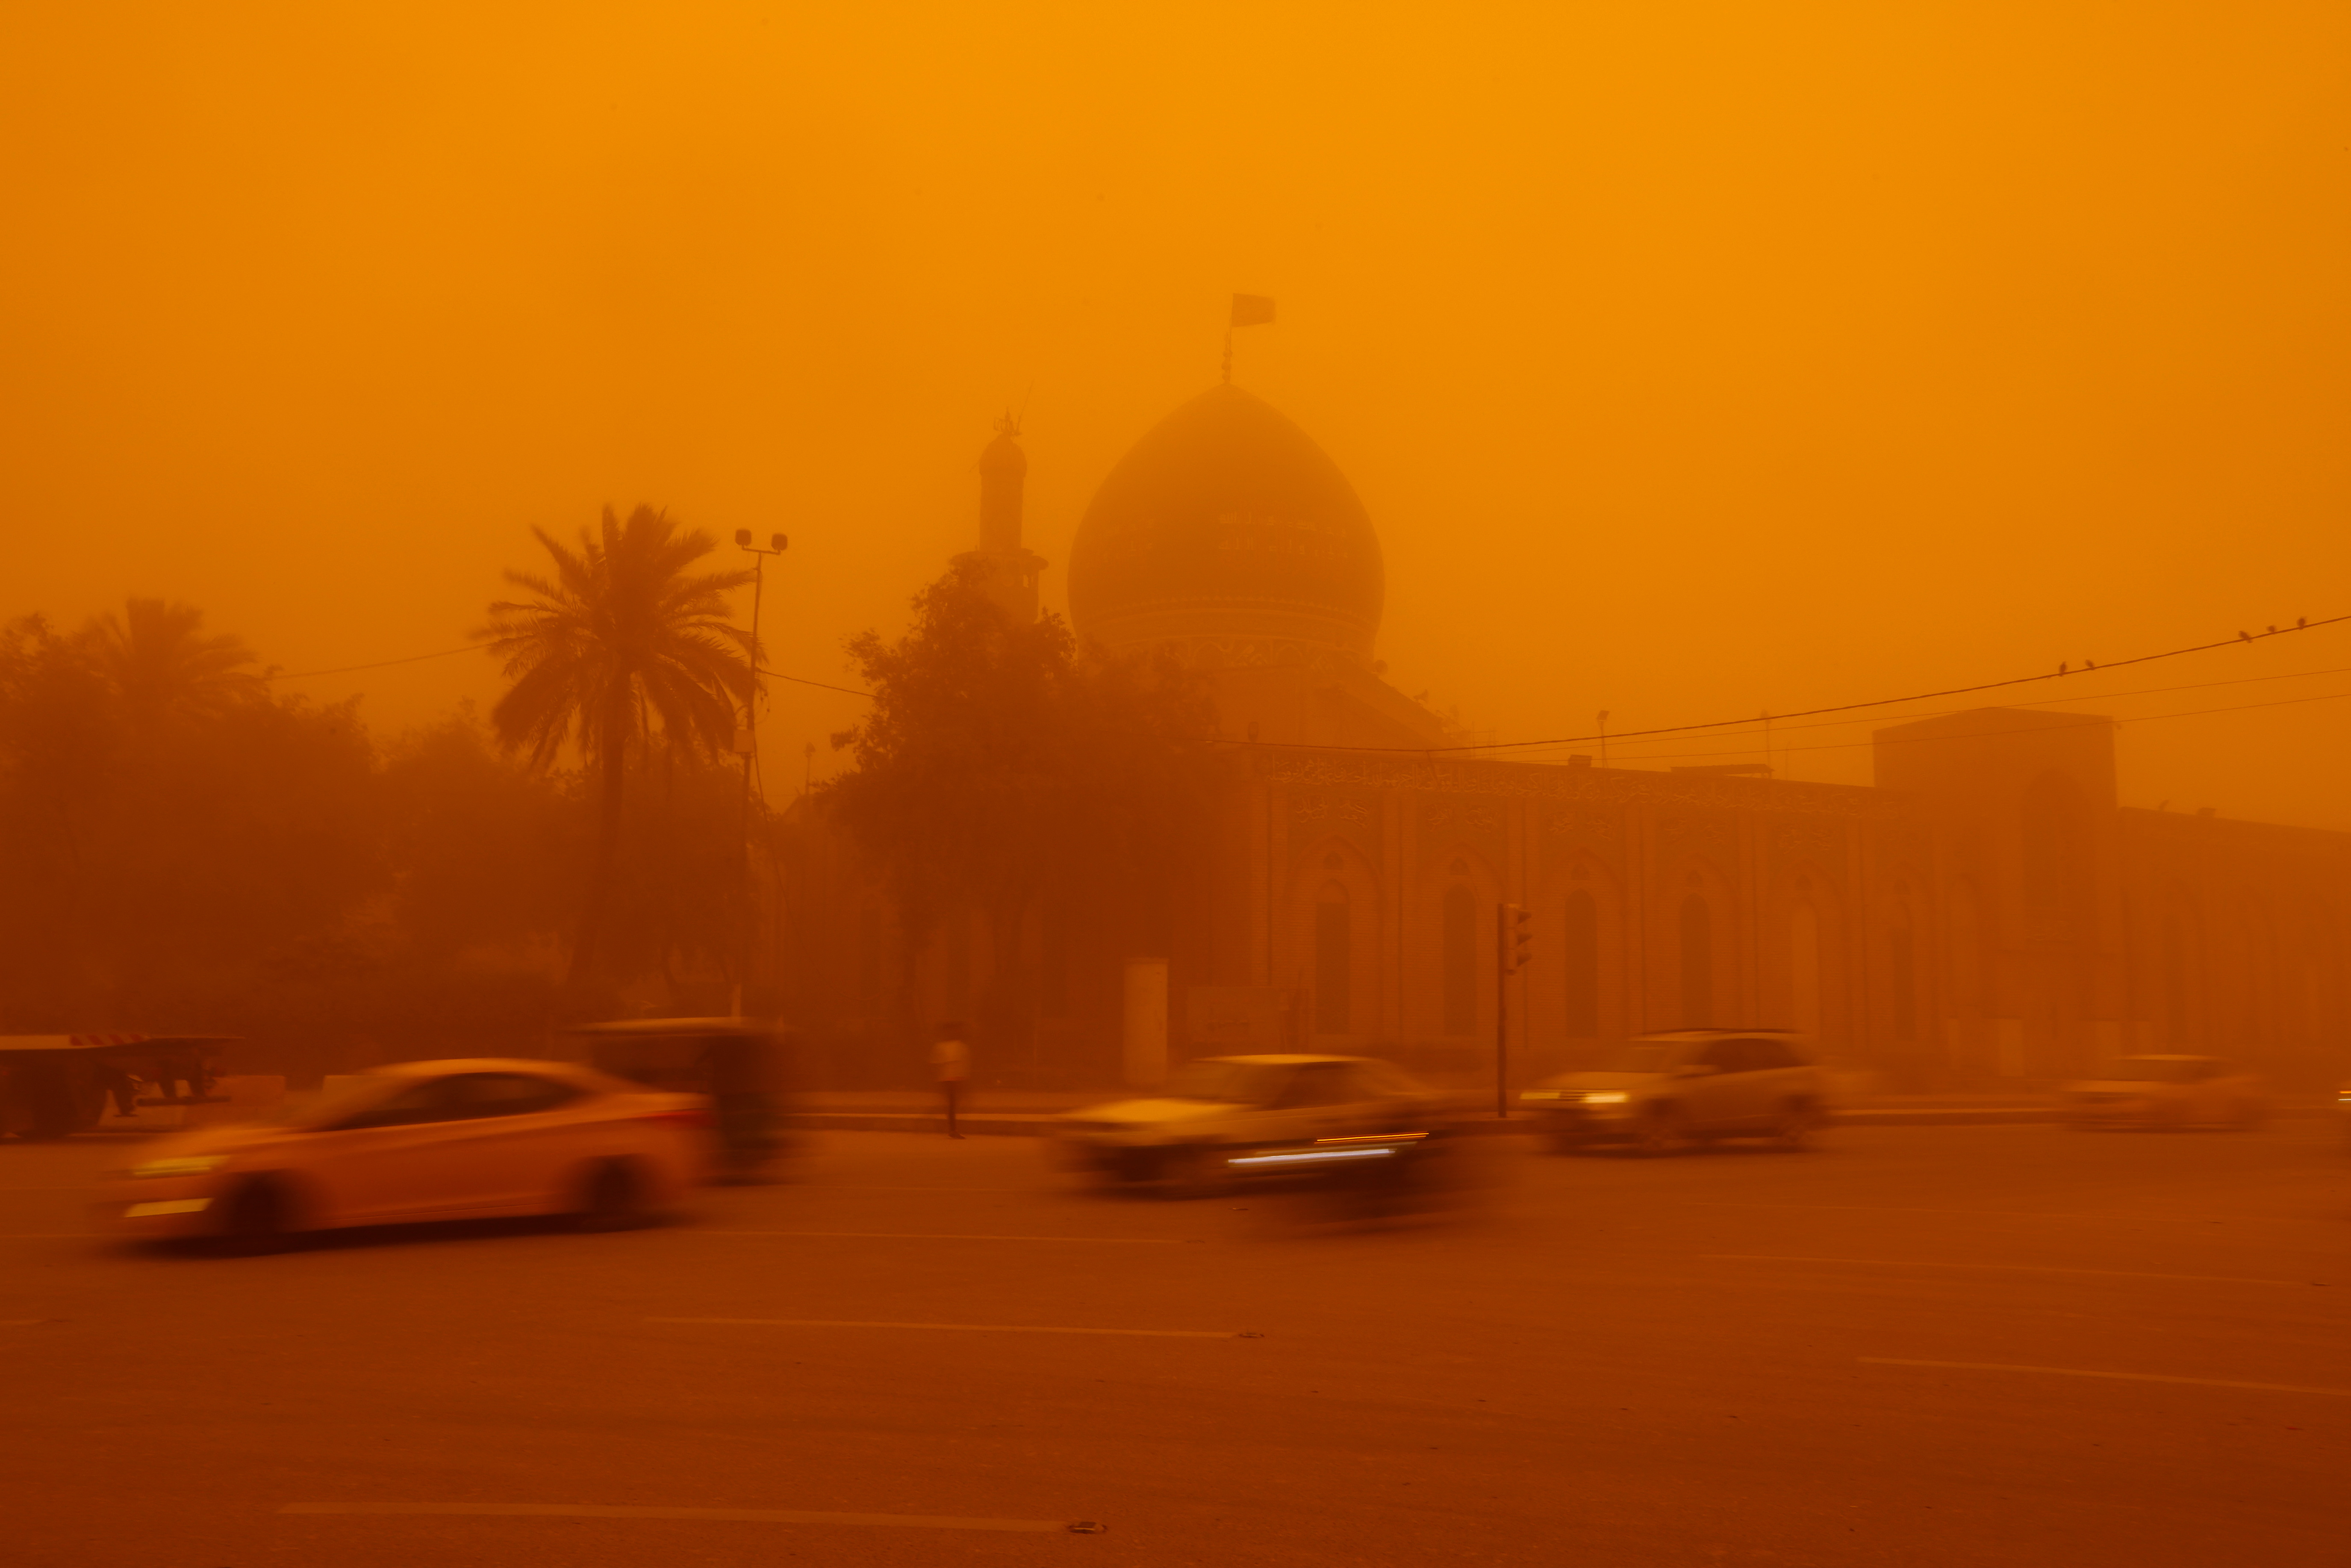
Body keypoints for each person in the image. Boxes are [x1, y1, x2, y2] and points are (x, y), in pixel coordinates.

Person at [929, 1023, 970, 1138]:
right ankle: (953, 1129)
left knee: (952, 1104)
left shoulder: (959, 1046)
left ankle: (952, 1128)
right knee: (952, 1104)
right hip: (948, 1080)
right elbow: (935, 1065)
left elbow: (963, 1065)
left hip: (954, 1079)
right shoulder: (943, 1047)